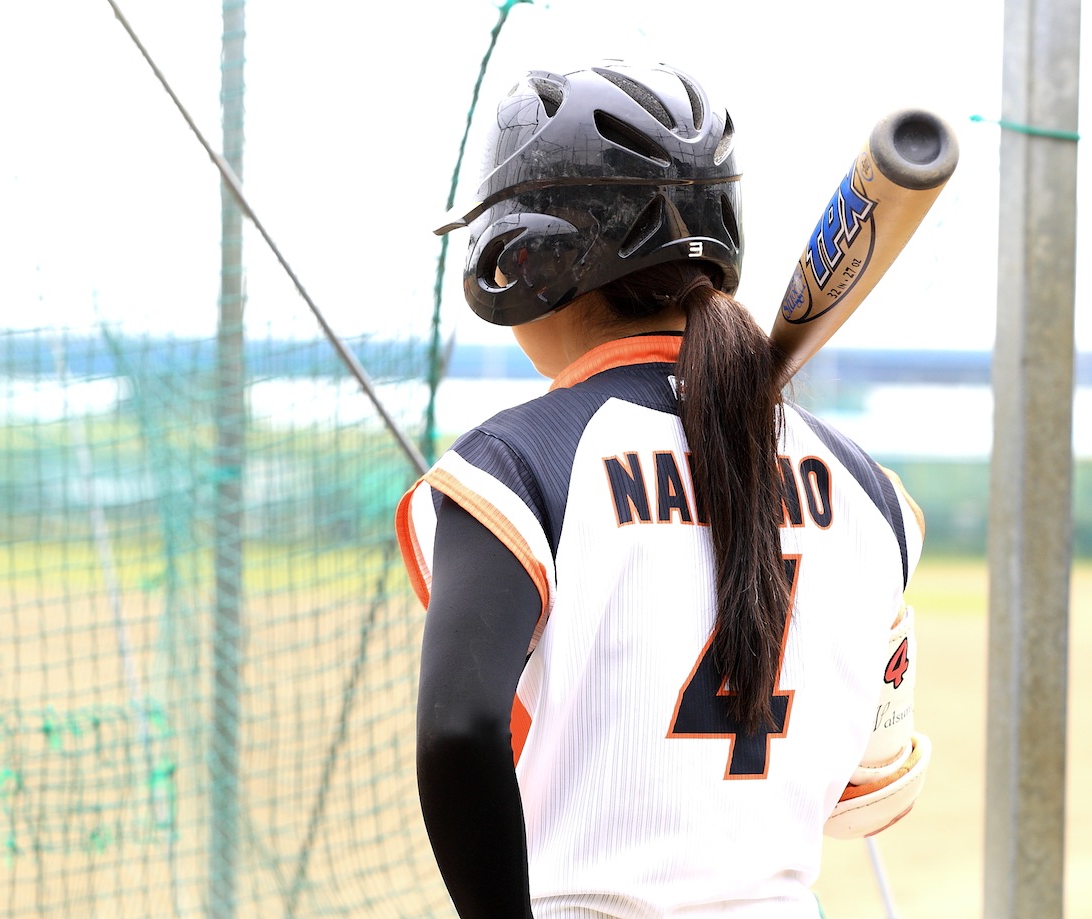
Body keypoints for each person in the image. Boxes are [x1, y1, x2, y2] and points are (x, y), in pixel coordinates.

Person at [395, 60, 931, 918]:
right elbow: (871, 795)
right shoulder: (868, 492)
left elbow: (459, 732)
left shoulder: (518, 464)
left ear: (526, 256)